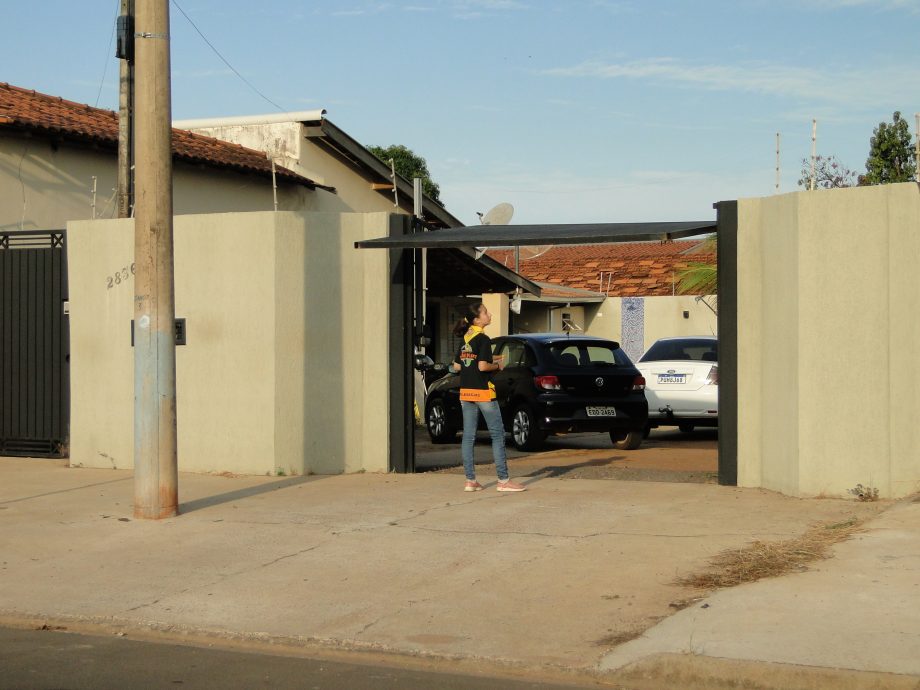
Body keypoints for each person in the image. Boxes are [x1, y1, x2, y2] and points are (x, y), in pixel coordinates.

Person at [451, 303, 526, 493]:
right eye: (485, 312)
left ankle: (470, 481)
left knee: (468, 436)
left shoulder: (465, 338)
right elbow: (483, 367)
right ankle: (503, 480)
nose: (489, 314)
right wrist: (498, 365)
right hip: (483, 392)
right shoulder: (483, 339)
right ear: (477, 319)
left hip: (465, 392)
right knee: (497, 434)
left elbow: (457, 367)